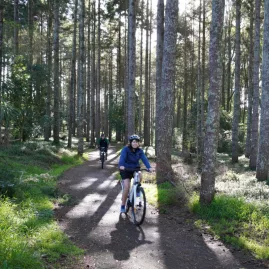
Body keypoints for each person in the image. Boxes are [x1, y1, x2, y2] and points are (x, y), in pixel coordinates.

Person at [118, 134, 154, 213]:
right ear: (130, 142)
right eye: (133, 142)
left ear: (138, 143)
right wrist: (121, 165)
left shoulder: (140, 151)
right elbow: (122, 158)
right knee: (127, 187)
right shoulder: (125, 149)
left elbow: (144, 159)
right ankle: (123, 205)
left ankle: (137, 189)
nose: (135, 143)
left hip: (135, 168)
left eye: (136, 142)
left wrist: (149, 167)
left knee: (140, 175)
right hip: (125, 169)